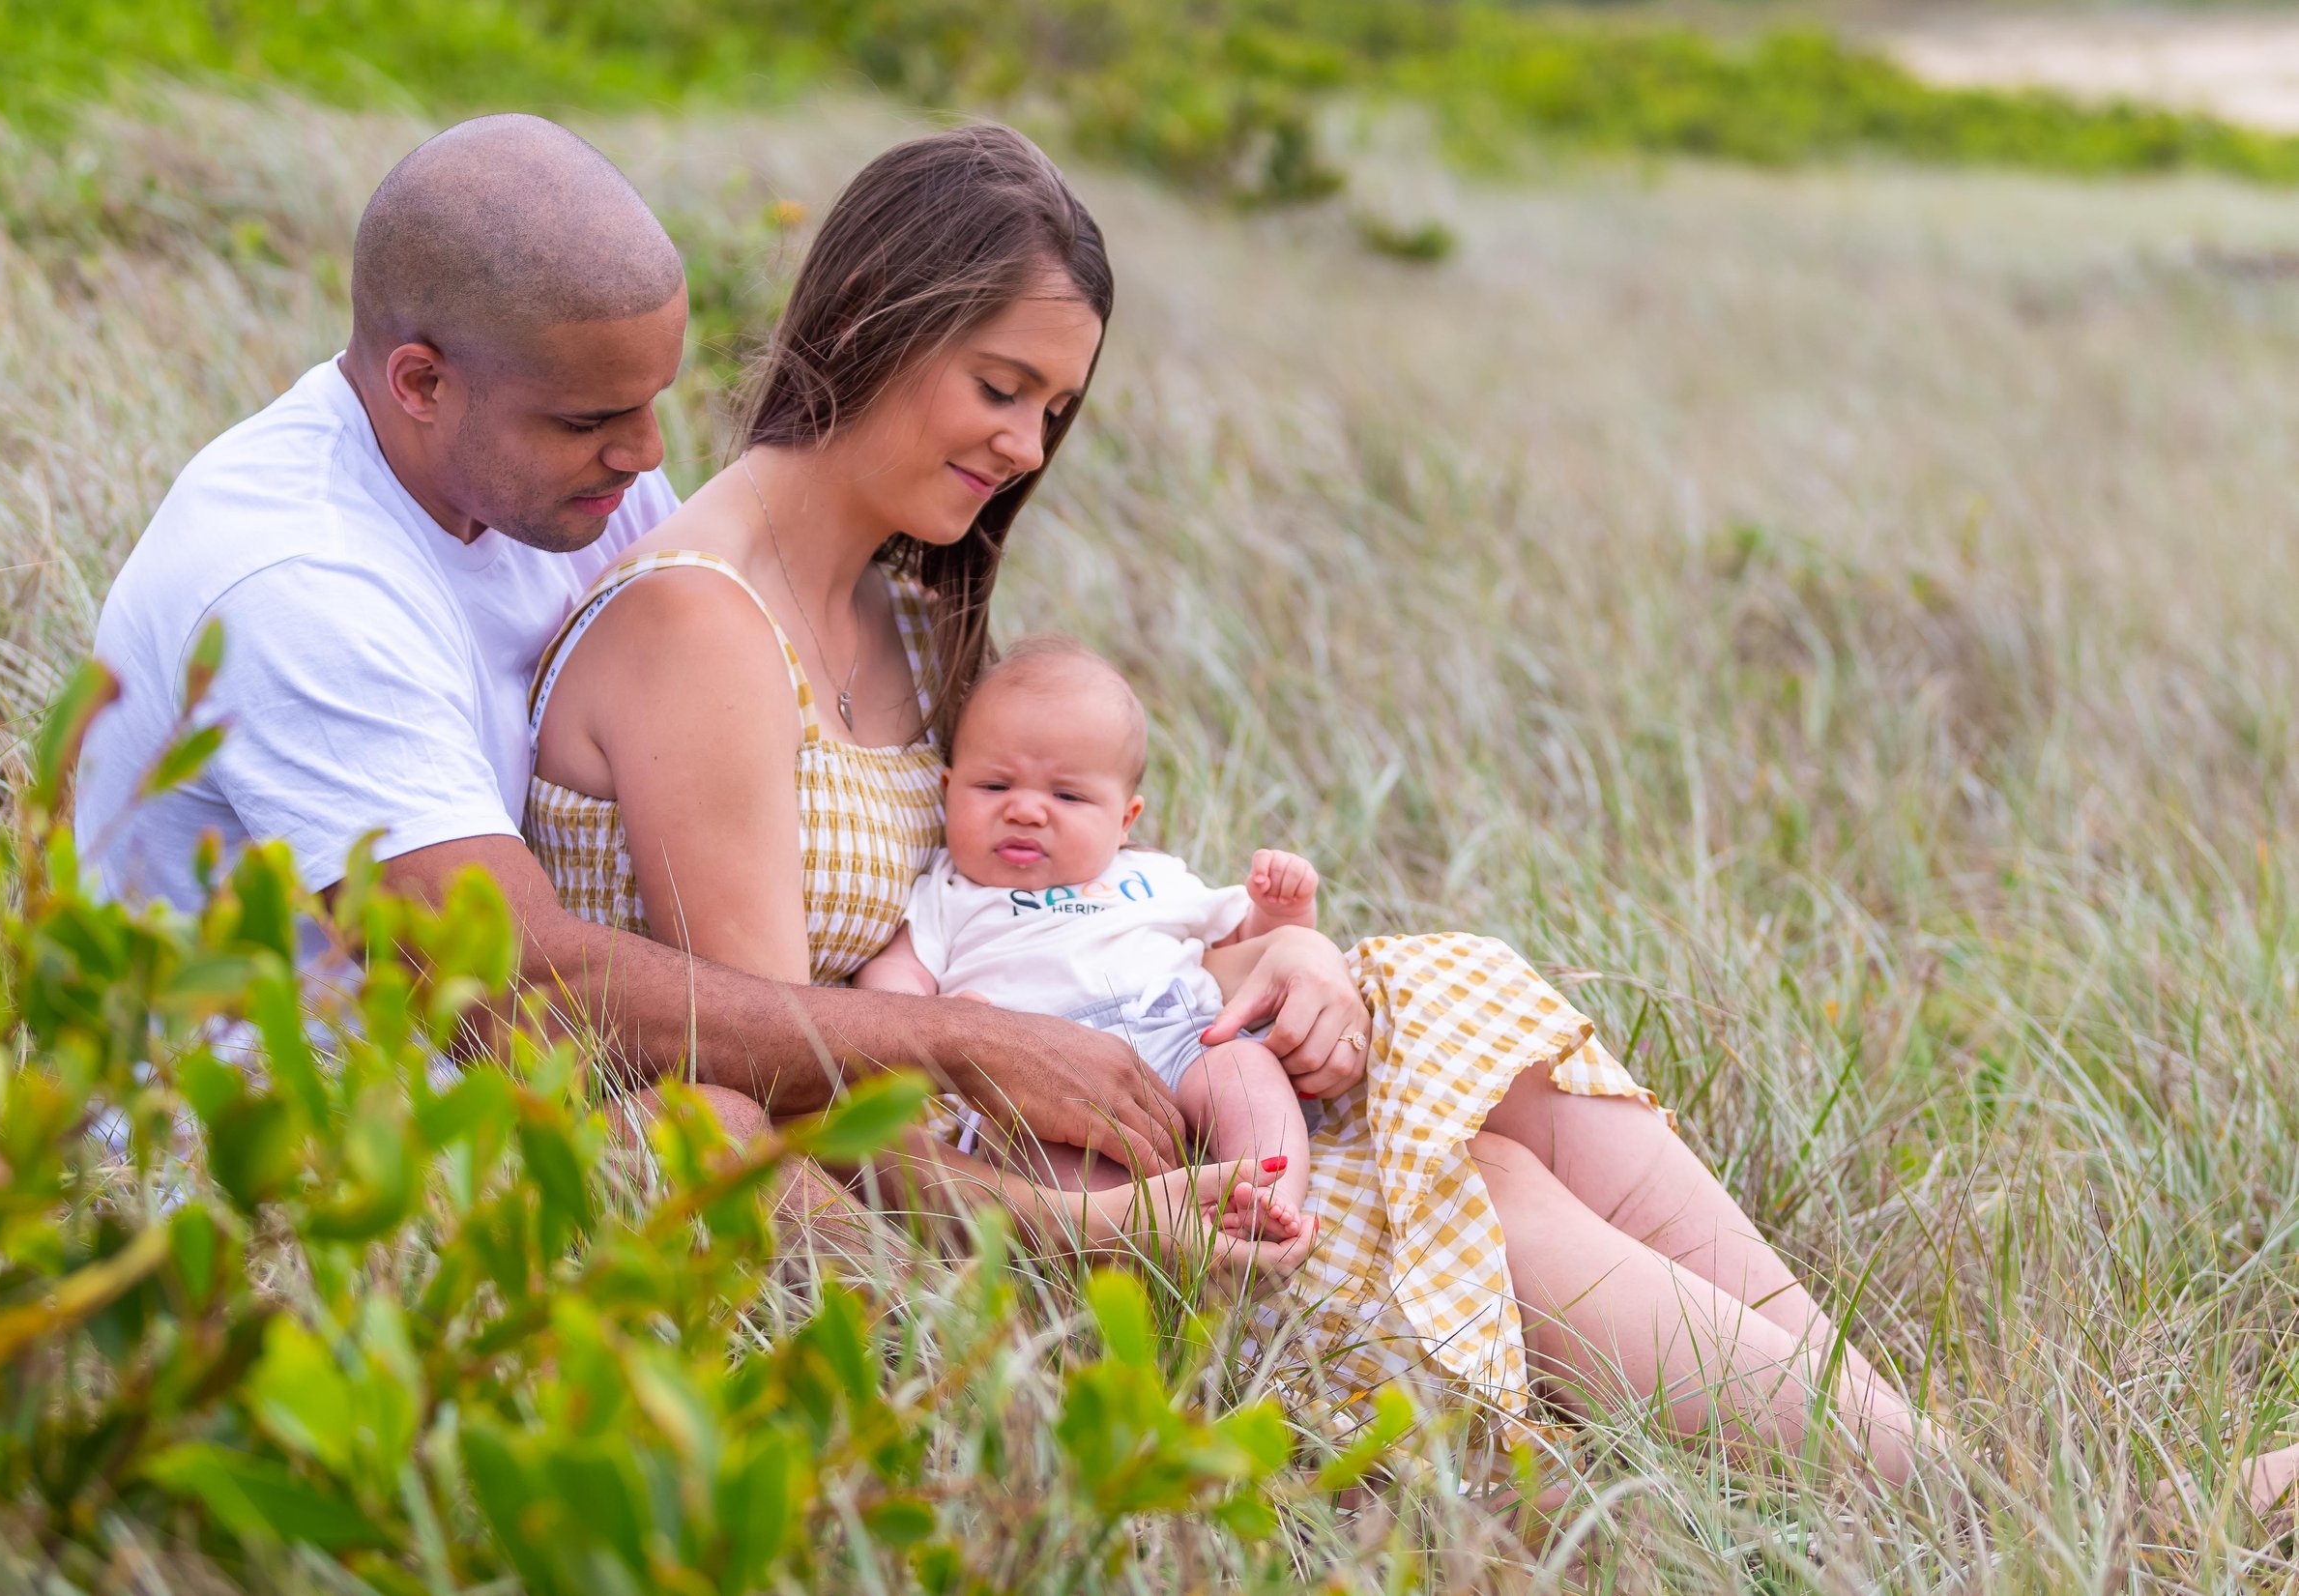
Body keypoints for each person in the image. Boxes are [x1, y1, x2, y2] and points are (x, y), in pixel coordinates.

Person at [525, 119, 1948, 1483]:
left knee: (1461, 1015)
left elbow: (1034, 901)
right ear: (874, 320)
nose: (1026, 447)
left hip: (1036, 1083)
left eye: (1054, 410)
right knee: (1482, 1188)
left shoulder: (897, 601)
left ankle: (1897, 1440)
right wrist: (1099, 1222)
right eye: (1000, 386)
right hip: (930, 1185)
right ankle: (1922, 1487)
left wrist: (1282, 954)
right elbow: (778, 1089)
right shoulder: (704, 623)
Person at [73, 113, 1273, 1233]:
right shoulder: (298, 582)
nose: (650, 456)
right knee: (703, 1134)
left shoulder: (565, 480)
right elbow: (508, 983)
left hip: (500, 1075)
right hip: (281, 1147)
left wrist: (1271, 950)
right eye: (594, 415)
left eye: (654, 399)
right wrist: (960, 1046)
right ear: (422, 383)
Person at [853, 635, 1320, 1247]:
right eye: (994, 787)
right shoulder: (947, 892)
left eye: (1067, 796)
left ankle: (1263, 1195)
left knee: (1247, 1068)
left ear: (1125, 820)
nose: (1025, 811)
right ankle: (1151, 1242)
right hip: (1043, 1079)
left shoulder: (1149, 875)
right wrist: (939, 1021)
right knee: (1050, 1163)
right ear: (947, 790)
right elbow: (892, 978)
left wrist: (1282, 910)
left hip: (1180, 1037)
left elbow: (1251, 953)